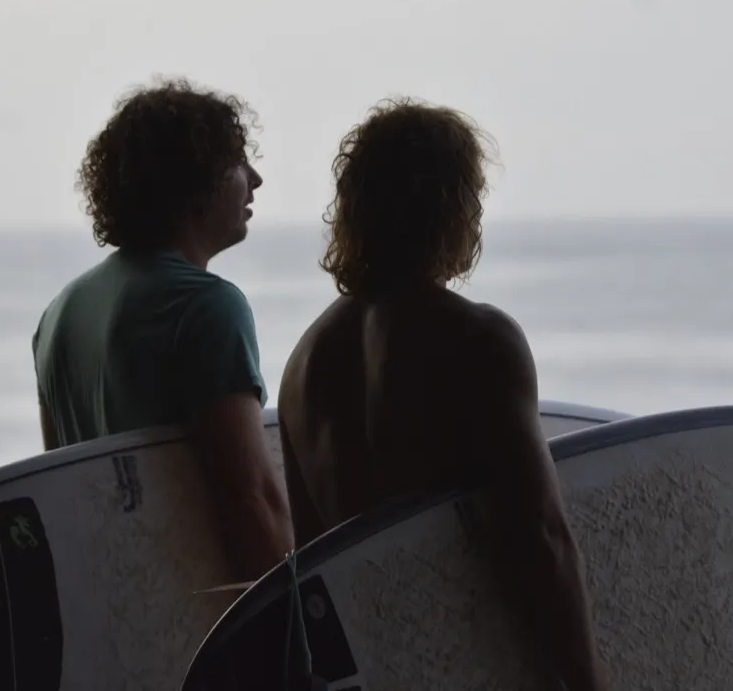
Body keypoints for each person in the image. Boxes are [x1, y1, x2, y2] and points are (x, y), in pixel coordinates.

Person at [277, 98, 607, 690]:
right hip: (471, 666)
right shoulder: (477, 339)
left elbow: (314, 570)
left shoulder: (303, 364)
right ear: (454, 207)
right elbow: (540, 536)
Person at [31, 77, 293, 582]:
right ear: (198, 178)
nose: (255, 179)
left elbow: (67, 493)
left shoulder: (59, 314)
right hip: (202, 625)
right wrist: (298, 632)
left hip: (115, 614)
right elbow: (251, 501)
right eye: (239, 161)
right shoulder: (204, 304)